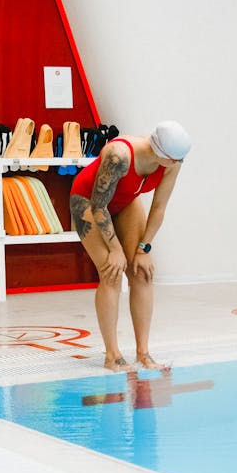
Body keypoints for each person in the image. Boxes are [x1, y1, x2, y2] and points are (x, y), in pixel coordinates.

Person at [70, 120, 191, 371]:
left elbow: (159, 208)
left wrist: (143, 249)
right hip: (88, 202)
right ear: (164, 156)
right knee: (111, 271)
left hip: (125, 203)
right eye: (176, 160)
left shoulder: (172, 163)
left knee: (142, 273)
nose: (179, 164)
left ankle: (143, 352)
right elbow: (98, 206)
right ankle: (112, 355)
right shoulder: (119, 156)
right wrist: (115, 250)